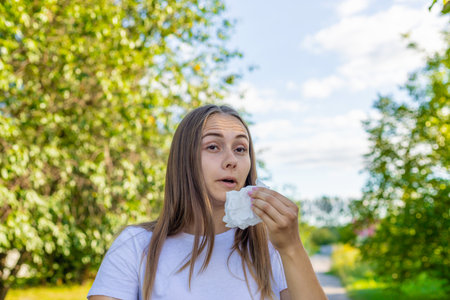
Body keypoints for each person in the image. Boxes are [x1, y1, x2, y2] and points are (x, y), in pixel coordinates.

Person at [87, 105, 327, 300]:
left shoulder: (271, 248)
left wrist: (292, 247)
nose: (231, 160)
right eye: (213, 146)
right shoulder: (135, 246)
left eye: (241, 149)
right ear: (184, 161)